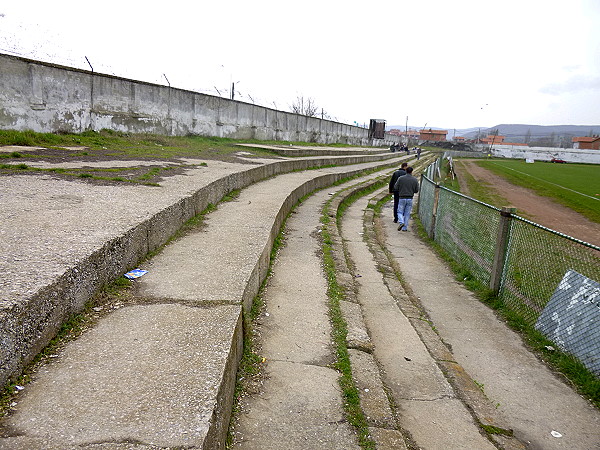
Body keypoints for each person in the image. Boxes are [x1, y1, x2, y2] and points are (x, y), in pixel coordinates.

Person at [393, 166, 419, 231]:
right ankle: (405, 228)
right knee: (407, 213)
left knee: (399, 211)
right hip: (410, 198)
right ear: (412, 172)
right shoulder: (415, 180)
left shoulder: (400, 178)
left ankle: (401, 222)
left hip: (402, 197)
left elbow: (395, 187)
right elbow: (416, 190)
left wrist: (401, 189)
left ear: (406, 171)